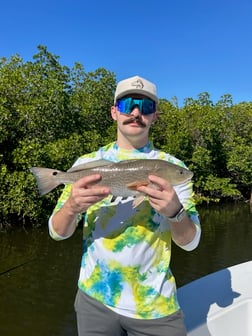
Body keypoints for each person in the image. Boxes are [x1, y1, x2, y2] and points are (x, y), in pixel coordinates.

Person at [49, 75, 201, 336]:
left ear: (155, 116)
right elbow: (56, 232)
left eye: (145, 107)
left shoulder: (175, 168)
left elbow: (191, 243)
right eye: (127, 104)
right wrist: (72, 207)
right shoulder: (87, 163)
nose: (135, 112)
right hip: (93, 301)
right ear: (113, 112)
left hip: (155, 307)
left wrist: (175, 213)